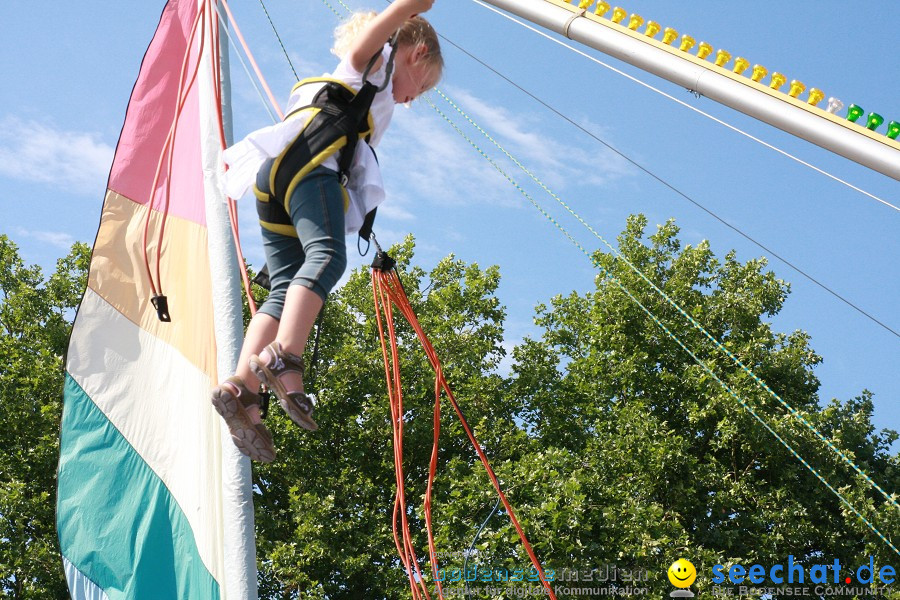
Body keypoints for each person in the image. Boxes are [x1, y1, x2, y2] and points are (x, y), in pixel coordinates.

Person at [210, 0, 442, 463]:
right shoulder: (373, 66)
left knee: (283, 288)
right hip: (309, 163)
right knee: (328, 257)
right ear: (415, 54)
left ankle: (242, 390)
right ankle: (283, 357)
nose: (414, 98)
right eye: (424, 84)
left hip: (274, 179)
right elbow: (371, 43)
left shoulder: (374, 93)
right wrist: (408, 8)